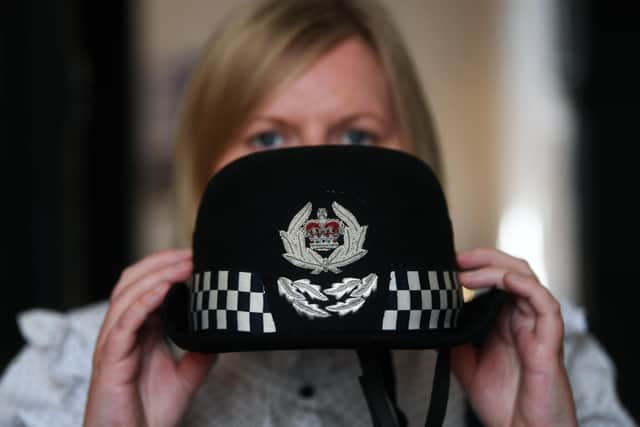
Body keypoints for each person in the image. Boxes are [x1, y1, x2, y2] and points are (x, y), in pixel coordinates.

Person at [1, 1, 635, 426]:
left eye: (356, 136)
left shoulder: (539, 356)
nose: (316, 180)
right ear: (202, 163)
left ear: (413, 147)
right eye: (268, 139)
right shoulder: (70, 367)